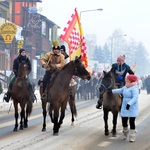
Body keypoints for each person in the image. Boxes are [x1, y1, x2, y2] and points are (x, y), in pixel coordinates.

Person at [111, 74, 139, 142]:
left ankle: (132, 136)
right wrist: (111, 91)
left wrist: (129, 104)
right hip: (124, 106)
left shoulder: (134, 88)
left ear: (130, 81)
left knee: (132, 122)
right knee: (124, 122)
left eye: (127, 79)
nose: (126, 80)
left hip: (132, 107)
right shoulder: (126, 87)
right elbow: (120, 90)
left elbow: (135, 98)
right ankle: (125, 133)